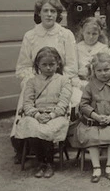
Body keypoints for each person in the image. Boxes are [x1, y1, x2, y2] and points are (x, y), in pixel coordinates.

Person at [11, 47, 72, 178]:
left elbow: (64, 102)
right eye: (44, 64)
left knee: (48, 129)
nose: (48, 68)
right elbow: (27, 103)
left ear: (58, 64)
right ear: (37, 64)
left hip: (56, 115)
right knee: (32, 126)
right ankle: (40, 163)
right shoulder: (32, 82)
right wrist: (37, 115)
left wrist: (51, 115)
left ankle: (49, 163)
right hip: (36, 114)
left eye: (52, 64)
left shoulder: (64, 80)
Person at [73, 52, 110, 183]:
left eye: (106, 69)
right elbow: (84, 105)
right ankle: (96, 167)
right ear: (94, 71)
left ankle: (109, 166)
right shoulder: (89, 87)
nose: (103, 73)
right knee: (92, 139)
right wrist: (96, 116)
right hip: (93, 122)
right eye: (99, 70)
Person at [75, 17, 109, 90]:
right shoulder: (76, 47)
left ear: (99, 34)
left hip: (99, 83)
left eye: (94, 34)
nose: (91, 37)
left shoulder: (103, 48)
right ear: (82, 32)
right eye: (88, 33)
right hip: (80, 83)